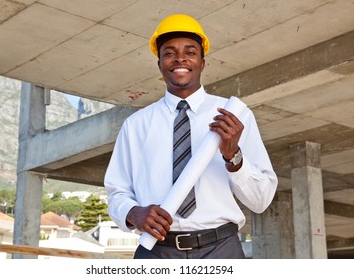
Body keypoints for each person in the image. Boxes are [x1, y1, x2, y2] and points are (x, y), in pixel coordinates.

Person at [104, 14, 278, 259]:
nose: (180, 59)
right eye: (169, 53)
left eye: (190, 52)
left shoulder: (234, 117)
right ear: (160, 64)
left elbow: (261, 200)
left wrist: (233, 156)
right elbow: (117, 193)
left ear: (202, 63)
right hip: (156, 250)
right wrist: (134, 213)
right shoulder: (135, 125)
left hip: (221, 250)